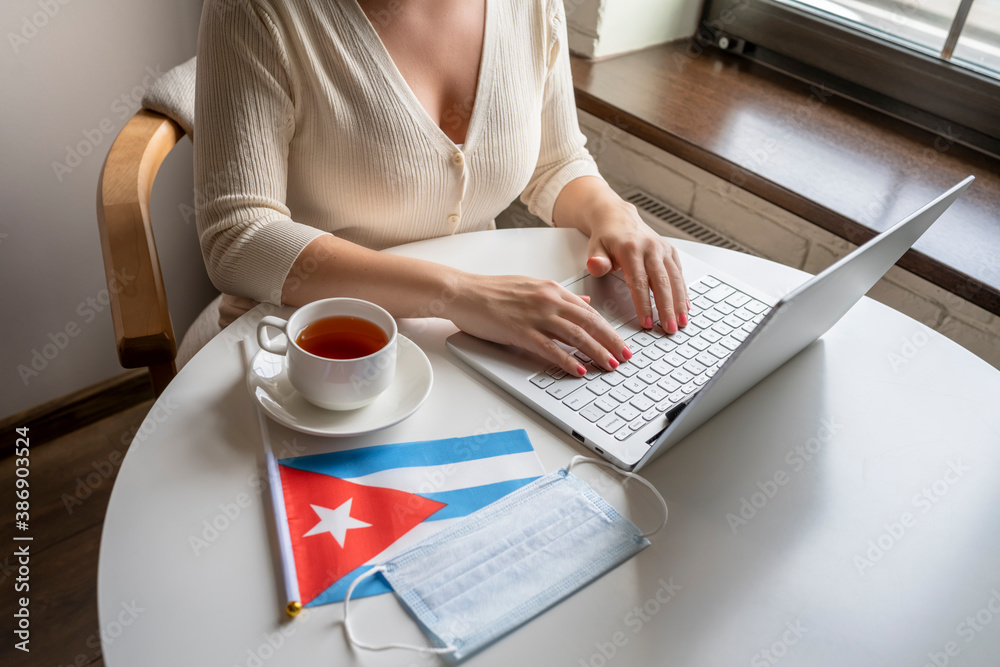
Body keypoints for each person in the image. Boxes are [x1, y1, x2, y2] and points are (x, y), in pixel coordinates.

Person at [189, 0, 689, 376]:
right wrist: (458, 293)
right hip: (302, 348)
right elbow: (238, 238)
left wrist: (613, 213)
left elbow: (555, 161)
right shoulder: (256, 11)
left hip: (476, 334)